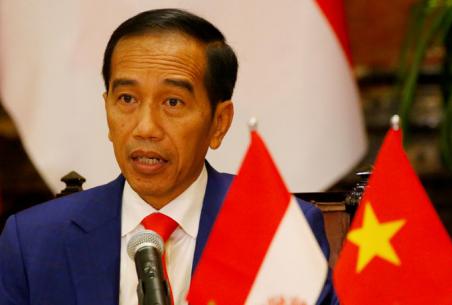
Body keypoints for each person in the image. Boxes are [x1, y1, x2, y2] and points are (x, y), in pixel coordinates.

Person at [0, 8, 338, 305]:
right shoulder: (33, 242)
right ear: (107, 109)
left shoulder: (276, 230)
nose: (145, 128)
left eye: (172, 102)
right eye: (128, 99)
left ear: (219, 124)